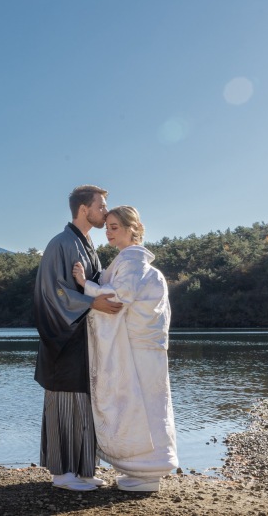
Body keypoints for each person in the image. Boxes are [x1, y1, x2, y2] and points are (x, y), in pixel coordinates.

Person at [72, 205, 178, 492]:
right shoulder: (129, 260)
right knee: (149, 405)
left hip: (137, 350)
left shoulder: (132, 261)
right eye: (107, 226)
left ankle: (145, 471)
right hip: (145, 348)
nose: (108, 231)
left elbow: (119, 298)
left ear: (133, 228)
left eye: (115, 226)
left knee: (138, 404)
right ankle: (146, 469)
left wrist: (84, 286)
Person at [33, 185, 124, 492]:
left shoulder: (85, 244)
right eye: (101, 207)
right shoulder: (60, 243)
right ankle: (61, 473)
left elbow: (92, 283)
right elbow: (52, 292)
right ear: (84, 209)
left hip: (83, 339)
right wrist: (91, 302)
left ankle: (84, 469)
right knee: (65, 401)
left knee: (85, 402)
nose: (105, 212)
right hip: (64, 339)